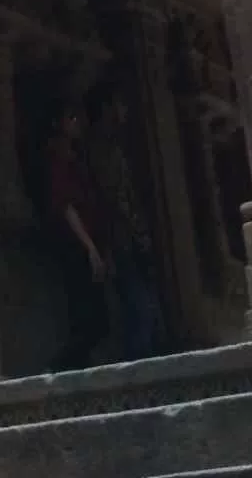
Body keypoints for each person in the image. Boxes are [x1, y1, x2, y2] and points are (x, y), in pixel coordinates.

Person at [86, 81, 164, 361]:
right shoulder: (98, 149)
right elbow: (111, 198)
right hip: (118, 238)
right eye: (119, 104)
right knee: (138, 306)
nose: (125, 110)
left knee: (145, 306)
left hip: (130, 237)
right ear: (107, 108)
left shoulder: (113, 147)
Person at [46, 101, 110, 371]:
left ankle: (76, 367)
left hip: (89, 240)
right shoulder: (58, 159)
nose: (78, 124)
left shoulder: (79, 158)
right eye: (71, 118)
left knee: (96, 316)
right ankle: (61, 367)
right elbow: (66, 205)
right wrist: (89, 247)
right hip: (75, 243)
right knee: (89, 316)